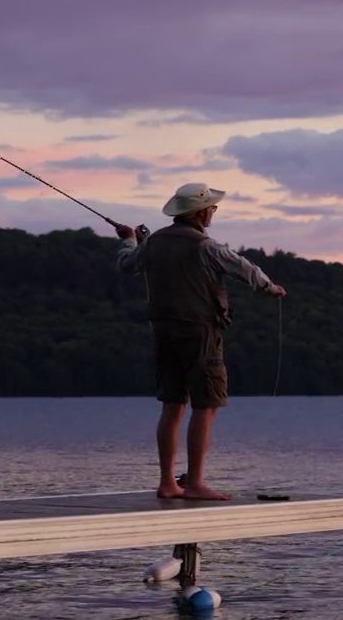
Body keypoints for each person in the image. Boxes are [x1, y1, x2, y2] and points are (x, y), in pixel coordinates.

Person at [114, 182, 286, 501]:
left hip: (163, 332)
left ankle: (167, 482)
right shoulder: (206, 246)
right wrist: (270, 288)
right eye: (211, 209)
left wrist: (128, 241)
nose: (212, 214)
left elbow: (127, 265)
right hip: (200, 333)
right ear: (200, 211)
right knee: (205, 405)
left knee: (172, 406)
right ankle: (194, 482)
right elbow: (243, 268)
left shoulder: (153, 244)